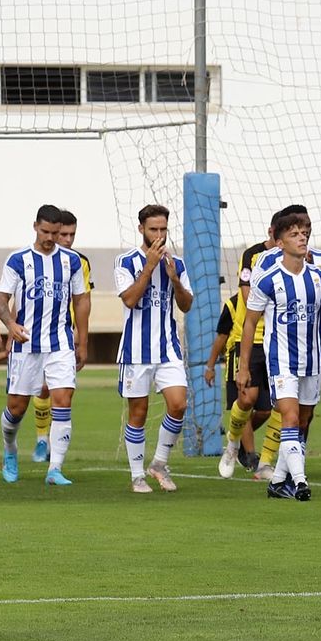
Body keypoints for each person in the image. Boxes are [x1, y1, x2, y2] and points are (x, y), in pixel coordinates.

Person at [236, 211, 321, 502]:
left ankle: (278, 481)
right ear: (279, 242)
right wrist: (243, 367)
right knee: (289, 417)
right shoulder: (267, 278)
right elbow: (250, 322)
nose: (302, 237)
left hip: (313, 359)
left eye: (305, 232)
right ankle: (300, 482)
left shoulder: (319, 275)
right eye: (294, 233)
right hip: (281, 361)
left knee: (302, 421)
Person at [0, 204, 91, 486]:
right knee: (16, 408)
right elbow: (1, 299)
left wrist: (82, 341)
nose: (50, 238)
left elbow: (81, 300)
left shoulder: (71, 261)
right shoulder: (17, 260)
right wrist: (10, 326)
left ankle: (55, 468)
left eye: (56, 232)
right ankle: (10, 450)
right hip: (26, 345)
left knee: (63, 401)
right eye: (46, 231)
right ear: (35, 226)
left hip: (60, 343)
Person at [116, 203, 195, 493]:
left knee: (179, 404)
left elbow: (186, 305)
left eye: (163, 229)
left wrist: (174, 278)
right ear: (141, 230)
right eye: (153, 229)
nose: (159, 235)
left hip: (168, 348)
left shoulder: (178, 264)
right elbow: (130, 300)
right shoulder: (125, 262)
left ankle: (159, 463)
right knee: (138, 412)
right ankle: (137, 474)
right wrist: (150, 267)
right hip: (136, 351)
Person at [208, 227, 278, 480]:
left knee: (272, 409)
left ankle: (248, 448)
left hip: (279, 341)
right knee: (246, 401)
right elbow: (221, 336)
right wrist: (209, 365)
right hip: (247, 343)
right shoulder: (252, 256)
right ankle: (244, 451)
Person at [33, 210, 91, 464]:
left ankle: (51, 450)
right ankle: (41, 438)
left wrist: (82, 334)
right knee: (40, 389)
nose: (67, 239)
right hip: (36, 334)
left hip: (64, 335)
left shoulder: (79, 262)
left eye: (71, 235)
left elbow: (83, 300)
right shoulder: (33, 259)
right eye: (62, 234)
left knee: (61, 392)